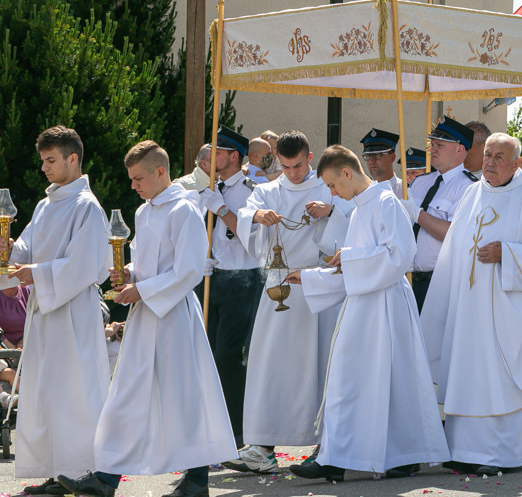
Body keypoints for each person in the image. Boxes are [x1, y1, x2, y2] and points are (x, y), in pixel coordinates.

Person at [58, 140, 236, 497]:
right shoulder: (144, 212)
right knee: (124, 394)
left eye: (138, 178)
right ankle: (105, 477)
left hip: (173, 318)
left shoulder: (184, 209)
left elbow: (188, 270)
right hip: (144, 319)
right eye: (131, 179)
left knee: (183, 397)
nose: (133, 185)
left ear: (160, 172)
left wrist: (142, 290)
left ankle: (197, 480)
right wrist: (128, 272)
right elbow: (145, 262)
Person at [286, 145, 449, 481]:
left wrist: (349, 257)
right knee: (351, 381)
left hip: (386, 307)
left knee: (392, 382)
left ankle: (402, 455)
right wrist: (312, 276)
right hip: (363, 307)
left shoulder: (387, 202)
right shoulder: (359, 209)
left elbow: (400, 255)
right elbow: (354, 266)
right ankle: (337, 455)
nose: (332, 193)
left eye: (332, 185)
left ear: (347, 173)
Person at [422, 133, 522, 474]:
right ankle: (462, 449)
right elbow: (454, 251)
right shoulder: (472, 193)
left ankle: (497, 453)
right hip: (468, 306)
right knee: (467, 371)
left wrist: (509, 254)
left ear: (517, 163)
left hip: (508, 308)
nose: (491, 162)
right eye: (487, 154)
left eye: (500, 157)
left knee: (500, 377)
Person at [226, 131, 351, 474]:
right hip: (279, 285)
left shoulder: (325, 187)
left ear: (310, 157)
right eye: (286, 166)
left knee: (320, 364)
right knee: (271, 365)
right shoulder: (268, 190)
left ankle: (326, 446)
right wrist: (258, 217)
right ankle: (263, 446)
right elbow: (244, 212)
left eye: (298, 166)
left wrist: (332, 209)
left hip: (319, 286)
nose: (293, 174)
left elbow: (354, 213)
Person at [0, 126, 110, 494]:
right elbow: (25, 254)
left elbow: (86, 264)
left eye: (51, 160)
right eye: (43, 161)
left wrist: (38, 274)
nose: (44, 168)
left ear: (72, 158)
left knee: (74, 393)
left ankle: (78, 472)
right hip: (45, 312)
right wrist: (9, 251)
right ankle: (53, 471)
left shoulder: (87, 207)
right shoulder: (46, 205)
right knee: (46, 391)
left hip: (73, 312)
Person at [196, 126, 267, 448]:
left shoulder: (254, 190)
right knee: (208, 355)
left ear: (233, 156)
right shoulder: (211, 188)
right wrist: (202, 257)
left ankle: (239, 430)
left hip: (244, 278)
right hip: (214, 278)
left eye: (218, 152)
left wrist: (222, 210)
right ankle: (214, 427)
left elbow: (254, 243)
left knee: (229, 355)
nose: (212, 157)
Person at [402, 117, 477, 312]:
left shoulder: (468, 187)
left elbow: (454, 233)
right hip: (408, 278)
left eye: (440, 145)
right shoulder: (420, 182)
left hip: (440, 282)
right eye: (432, 144)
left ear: (460, 150)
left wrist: (417, 215)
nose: (432, 149)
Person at [360, 127, 401, 196]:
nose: (371, 160)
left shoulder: (407, 191)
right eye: (367, 155)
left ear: (392, 157)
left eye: (377, 155)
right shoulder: (362, 192)